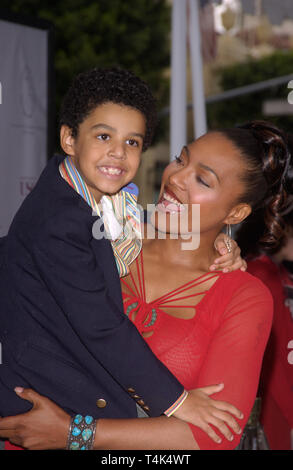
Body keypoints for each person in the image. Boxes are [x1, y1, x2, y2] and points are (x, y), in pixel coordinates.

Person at [2, 120, 291, 450]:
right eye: (181, 160)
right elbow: (19, 263)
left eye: (202, 179)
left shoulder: (244, 297)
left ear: (236, 212)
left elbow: (214, 437)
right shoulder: (105, 233)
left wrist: (74, 433)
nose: (175, 178)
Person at [236, 206, 293, 449]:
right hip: (272, 404)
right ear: (284, 230)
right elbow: (275, 357)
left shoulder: (273, 272)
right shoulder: (262, 274)